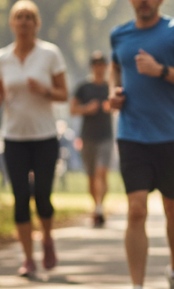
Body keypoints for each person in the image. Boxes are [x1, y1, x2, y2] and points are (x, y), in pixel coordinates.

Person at [109, 0, 174, 289]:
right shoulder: (119, 35)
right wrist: (114, 92)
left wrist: (160, 70)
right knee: (136, 211)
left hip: (171, 135)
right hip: (131, 135)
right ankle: (137, 285)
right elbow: (116, 66)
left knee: (172, 209)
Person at [0, 0, 68, 278]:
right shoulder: (2, 57)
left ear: (37, 23)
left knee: (42, 197)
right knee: (20, 197)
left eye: (28, 17)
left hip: (44, 136)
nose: (24, 21)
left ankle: (47, 239)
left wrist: (45, 90)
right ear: (12, 23)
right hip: (13, 137)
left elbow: (64, 94)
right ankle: (27, 257)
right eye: (19, 17)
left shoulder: (50, 54)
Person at [71, 51, 113, 227]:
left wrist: (111, 106)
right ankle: (96, 207)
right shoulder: (83, 87)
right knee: (91, 176)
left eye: (102, 64)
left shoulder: (110, 87)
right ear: (92, 67)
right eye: (96, 64)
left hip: (106, 136)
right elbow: (72, 109)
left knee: (102, 172)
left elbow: (121, 105)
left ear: (106, 66)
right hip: (88, 137)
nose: (99, 67)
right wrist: (86, 109)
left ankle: (100, 208)